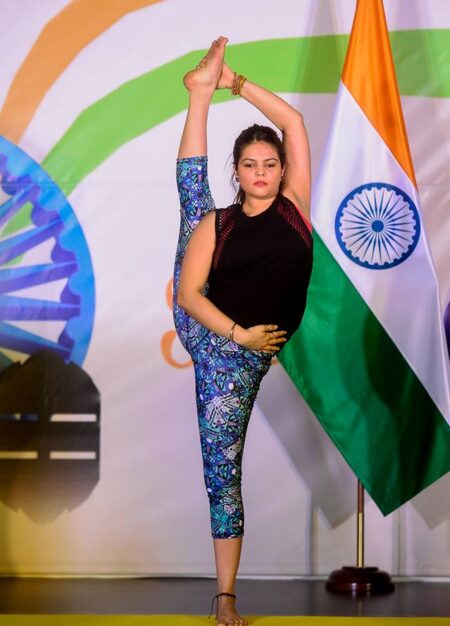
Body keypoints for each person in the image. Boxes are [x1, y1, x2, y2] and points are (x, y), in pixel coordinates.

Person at [173, 36, 313, 626]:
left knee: (194, 207)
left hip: (249, 347)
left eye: (270, 164)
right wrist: (240, 336)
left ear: (283, 170)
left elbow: (293, 121)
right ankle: (225, 597)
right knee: (222, 469)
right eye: (250, 165)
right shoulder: (221, 223)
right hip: (214, 337)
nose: (260, 172)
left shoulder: (295, 207)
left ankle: (202, 91)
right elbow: (187, 295)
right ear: (237, 170)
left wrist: (236, 82)